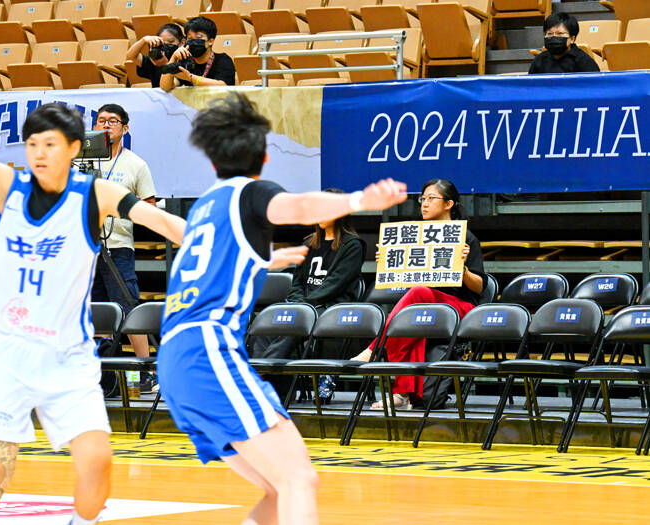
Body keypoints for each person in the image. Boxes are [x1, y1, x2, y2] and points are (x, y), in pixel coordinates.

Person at [0, 56, 186, 525]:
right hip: (8, 352)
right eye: (32, 144)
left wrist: (218, 244)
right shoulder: (9, 185)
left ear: (73, 147)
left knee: (98, 462)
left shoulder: (95, 195)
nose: (39, 153)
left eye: (50, 144)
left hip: (67, 354)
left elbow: (163, 222)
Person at [158, 93, 407, 525]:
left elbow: (213, 264)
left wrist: (265, 260)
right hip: (207, 352)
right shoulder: (252, 193)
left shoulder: (204, 207)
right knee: (298, 480)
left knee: (279, 488)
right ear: (266, 158)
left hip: (176, 359)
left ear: (213, 162)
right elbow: (299, 207)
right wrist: (358, 200)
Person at [353, 179, 485, 411]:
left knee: (418, 294)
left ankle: (375, 348)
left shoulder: (465, 237)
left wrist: (462, 268)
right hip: (426, 305)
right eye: (422, 199)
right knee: (415, 324)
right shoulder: (414, 234)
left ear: (449, 204)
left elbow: (480, 287)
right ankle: (402, 395)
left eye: (431, 198)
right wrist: (389, 262)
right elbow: (406, 276)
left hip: (459, 307)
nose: (424, 204)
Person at [251, 188, 366, 403]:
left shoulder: (352, 245)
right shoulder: (309, 243)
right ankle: (273, 387)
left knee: (292, 324)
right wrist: (298, 302)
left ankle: (259, 377)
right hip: (304, 306)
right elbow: (297, 281)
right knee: (267, 324)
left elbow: (335, 284)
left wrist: (304, 306)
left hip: (331, 307)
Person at [91, 103, 158, 392]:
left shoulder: (135, 164)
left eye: (112, 121)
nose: (106, 125)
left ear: (125, 128)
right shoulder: (79, 162)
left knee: (128, 307)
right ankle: (102, 375)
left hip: (117, 246)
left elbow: (150, 207)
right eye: (101, 120)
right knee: (95, 311)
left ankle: (145, 372)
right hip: (86, 248)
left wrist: (119, 208)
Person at [159, 16, 236, 92]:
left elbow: (223, 86)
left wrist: (190, 78)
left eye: (198, 37)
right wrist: (173, 59)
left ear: (210, 41)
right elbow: (165, 87)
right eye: (189, 38)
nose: (193, 41)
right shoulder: (185, 61)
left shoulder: (223, 60)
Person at [528, 12, 599, 74]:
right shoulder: (539, 60)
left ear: (572, 39)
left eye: (560, 34)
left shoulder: (583, 60)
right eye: (549, 34)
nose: (554, 37)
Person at [126, 23, 184, 88]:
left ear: (182, 43)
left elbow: (169, 86)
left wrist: (165, 65)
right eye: (162, 43)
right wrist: (144, 40)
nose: (166, 46)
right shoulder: (155, 61)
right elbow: (131, 56)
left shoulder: (184, 62)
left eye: (170, 42)